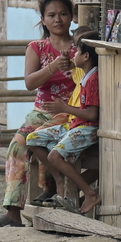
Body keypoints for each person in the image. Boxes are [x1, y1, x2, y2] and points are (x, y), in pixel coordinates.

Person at [0, 0, 76, 225]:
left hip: (71, 113)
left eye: (63, 14)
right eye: (51, 15)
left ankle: (52, 188)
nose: (58, 19)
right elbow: (30, 82)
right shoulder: (37, 48)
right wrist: (52, 67)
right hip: (41, 112)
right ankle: (13, 211)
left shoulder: (81, 46)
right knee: (17, 145)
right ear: (43, 19)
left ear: (72, 17)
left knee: (45, 140)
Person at [25, 31, 101, 216]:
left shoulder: (93, 80)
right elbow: (70, 63)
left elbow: (92, 114)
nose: (73, 54)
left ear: (85, 56)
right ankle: (61, 181)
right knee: (33, 138)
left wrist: (65, 108)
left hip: (87, 128)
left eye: (76, 51)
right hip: (76, 125)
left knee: (54, 157)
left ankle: (90, 194)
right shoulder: (84, 74)